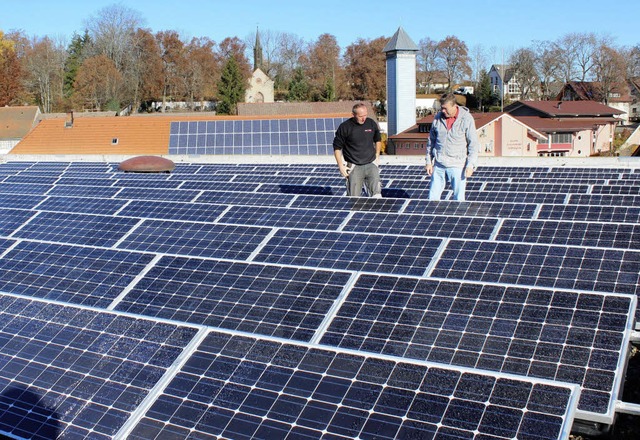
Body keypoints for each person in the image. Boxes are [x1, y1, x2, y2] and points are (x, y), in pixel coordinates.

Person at [425, 93, 479, 201]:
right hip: (439, 164)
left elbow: (473, 144)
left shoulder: (466, 119)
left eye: (445, 108)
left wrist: (470, 165)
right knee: (432, 198)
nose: (443, 111)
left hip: (457, 165)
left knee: (458, 199)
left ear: (454, 106)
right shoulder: (437, 119)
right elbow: (431, 142)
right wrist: (428, 161)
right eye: (442, 108)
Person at [333, 103, 382, 197]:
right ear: (353, 115)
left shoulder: (371, 123)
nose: (364, 118)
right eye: (360, 116)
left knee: (377, 196)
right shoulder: (345, 127)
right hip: (354, 166)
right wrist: (340, 166)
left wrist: (377, 156)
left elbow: (378, 140)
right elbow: (337, 148)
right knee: (353, 197)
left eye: (365, 115)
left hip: (371, 164)